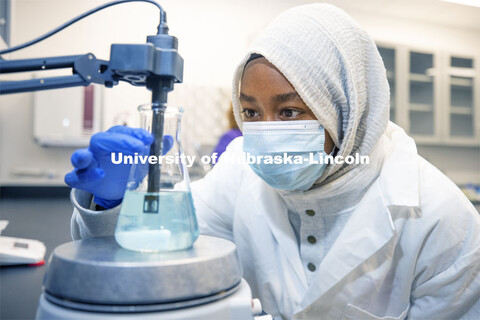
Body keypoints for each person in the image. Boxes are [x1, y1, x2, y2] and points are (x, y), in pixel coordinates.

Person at [65, 4, 480, 319]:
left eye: (289, 112)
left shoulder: (444, 220)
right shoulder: (238, 172)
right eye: (250, 112)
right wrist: (114, 204)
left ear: (346, 108)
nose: (264, 132)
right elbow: (157, 258)